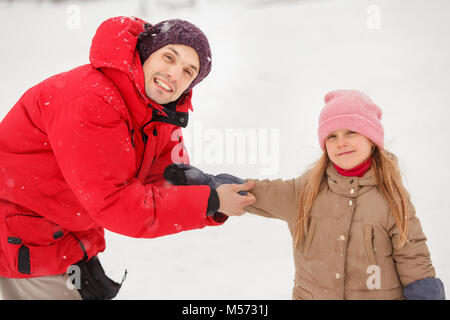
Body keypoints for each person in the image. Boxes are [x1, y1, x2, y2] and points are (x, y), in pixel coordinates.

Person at [0, 16, 255, 300]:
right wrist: (210, 200)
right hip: (22, 239)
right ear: (146, 53)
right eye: (169, 57)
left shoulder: (158, 109)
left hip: (68, 236)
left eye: (188, 71)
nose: (174, 73)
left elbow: (166, 175)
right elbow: (116, 202)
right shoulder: (91, 100)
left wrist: (208, 187)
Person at [167, 89, 446, 300]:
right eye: (332, 136)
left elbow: (414, 259)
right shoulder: (305, 192)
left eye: (351, 132)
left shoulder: (391, 196)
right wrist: (205, 182)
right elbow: (255, 191)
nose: (341, 143)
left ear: (372, 139)